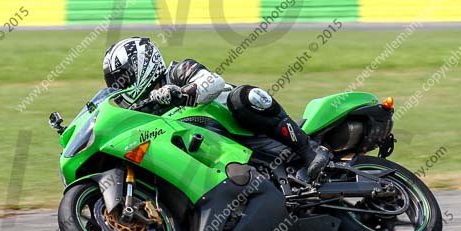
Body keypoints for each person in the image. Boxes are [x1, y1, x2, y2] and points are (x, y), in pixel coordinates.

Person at [102, 36, 332, 180]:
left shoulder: (178, 71)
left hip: (238, 126)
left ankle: (308, 149)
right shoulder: (144, 109)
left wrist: (181, 93)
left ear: (142, 65)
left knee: (244, 97)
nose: (120, 85)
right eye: (115, 82)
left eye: (123, 77)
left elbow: (213, 82)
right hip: (214, 155)